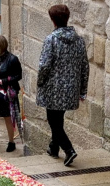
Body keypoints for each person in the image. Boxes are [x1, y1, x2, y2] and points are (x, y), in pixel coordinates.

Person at [36, 3, 87, 167]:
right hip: (71, 89)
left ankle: (69, 150)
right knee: (58, 119)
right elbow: (85, 66)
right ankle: (53, 147)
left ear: (53, 20)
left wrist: (40, 81)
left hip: (53, 88)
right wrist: (82, 90)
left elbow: (44, 65)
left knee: (53, 121)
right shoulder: (79, 40)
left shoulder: (51, 39)